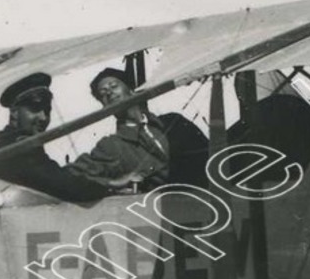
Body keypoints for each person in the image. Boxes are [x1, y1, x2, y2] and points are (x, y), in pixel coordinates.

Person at [0, 73, 113, 203]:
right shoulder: (17, 150)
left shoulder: (9, 143)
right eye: (35, 109)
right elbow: (66, 186)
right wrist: (111, 184)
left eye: (47, 110)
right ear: (14, 113)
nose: (43, 118)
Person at [68, 67, 210, 190]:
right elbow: (73, 174)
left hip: (214, 198)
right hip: (167, 213)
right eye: (103, 94)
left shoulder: (174, 121)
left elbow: (212, 154)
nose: (109, 92)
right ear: (104, 107)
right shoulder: (111, 146)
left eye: (113, 86)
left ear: (131, 90)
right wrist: (112, 182)